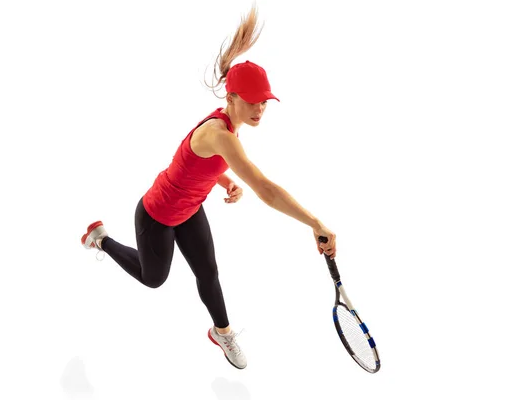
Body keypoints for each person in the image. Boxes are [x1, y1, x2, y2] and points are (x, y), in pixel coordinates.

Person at [80, 5, 337, 370]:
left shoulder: (225, 130)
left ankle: (222, 332)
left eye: (264, 102)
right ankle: (101, 239)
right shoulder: (220, 134)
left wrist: (225, 179)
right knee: (154, 280)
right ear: (231, 99)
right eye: (251, 102)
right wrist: (316, 223)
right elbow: (265, 188)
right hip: (156, 215)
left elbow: (195, 164)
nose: (259, 109)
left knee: (209, 274)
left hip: (189, 207)